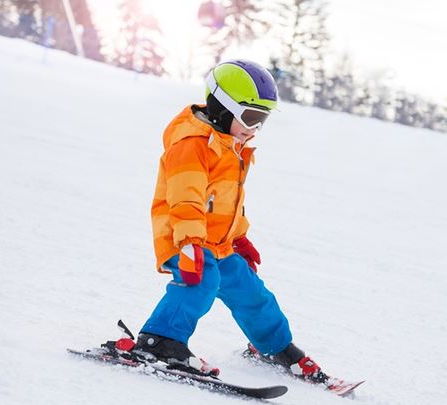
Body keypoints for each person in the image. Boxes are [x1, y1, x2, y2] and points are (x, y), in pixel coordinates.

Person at [134, 59, 327, 383]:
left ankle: (275, 346)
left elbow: (226, 202)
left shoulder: (231, 145)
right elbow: (186, 199)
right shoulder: (193, 145)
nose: (254, 128)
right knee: (202, 282)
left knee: (250, 291)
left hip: (217, 242)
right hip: (184, 238)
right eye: (250, 117)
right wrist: (190, 244)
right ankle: (160, 341)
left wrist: (238, 237)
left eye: (262, 120)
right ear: (223, 107)